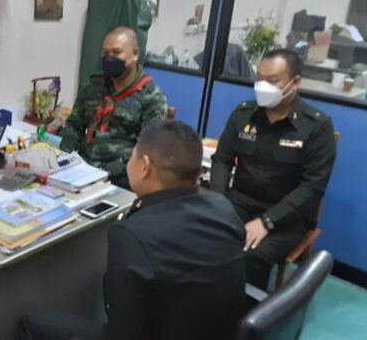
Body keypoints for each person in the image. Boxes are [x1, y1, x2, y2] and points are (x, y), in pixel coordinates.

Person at [17, 120, 246, 340]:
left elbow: (123, 333)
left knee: (32, 323)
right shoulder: (223, 208)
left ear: (144, 166)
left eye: (132, 155)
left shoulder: (132, 235)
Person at [210, 48, 337, 290]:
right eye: (259, 78)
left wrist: (267, 221)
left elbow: (312, 187)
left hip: (286, 216)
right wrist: (217, 203)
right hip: (240, 202)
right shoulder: (243, 114)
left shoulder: (317, 126)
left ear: (295, 82)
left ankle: (247, 308)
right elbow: (222, 160)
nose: (262, 86)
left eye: (272, 80)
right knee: (206, 235)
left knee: (251, 255)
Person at [59, 27, 167, 188]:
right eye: (105, 53)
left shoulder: (151, 97)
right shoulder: (94, 86)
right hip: (81, 171)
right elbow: (74, 126)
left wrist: (107, 173)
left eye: (117, 52)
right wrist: (64, 158)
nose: (109, 58)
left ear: (135, 54)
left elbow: (146, 150)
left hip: (121, 180)